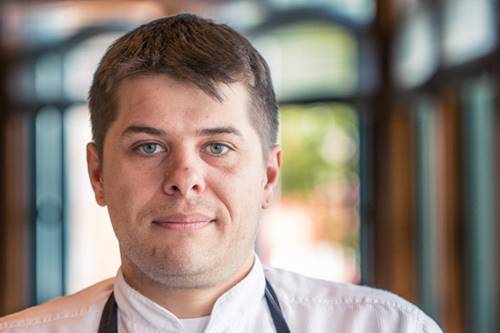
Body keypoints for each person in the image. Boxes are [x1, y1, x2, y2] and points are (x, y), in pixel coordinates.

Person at [0, 13, 442, 333]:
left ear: (268, 176)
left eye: (217, 147)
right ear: (98, 174)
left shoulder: (387, 328)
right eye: (148, 146)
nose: (184, 178)